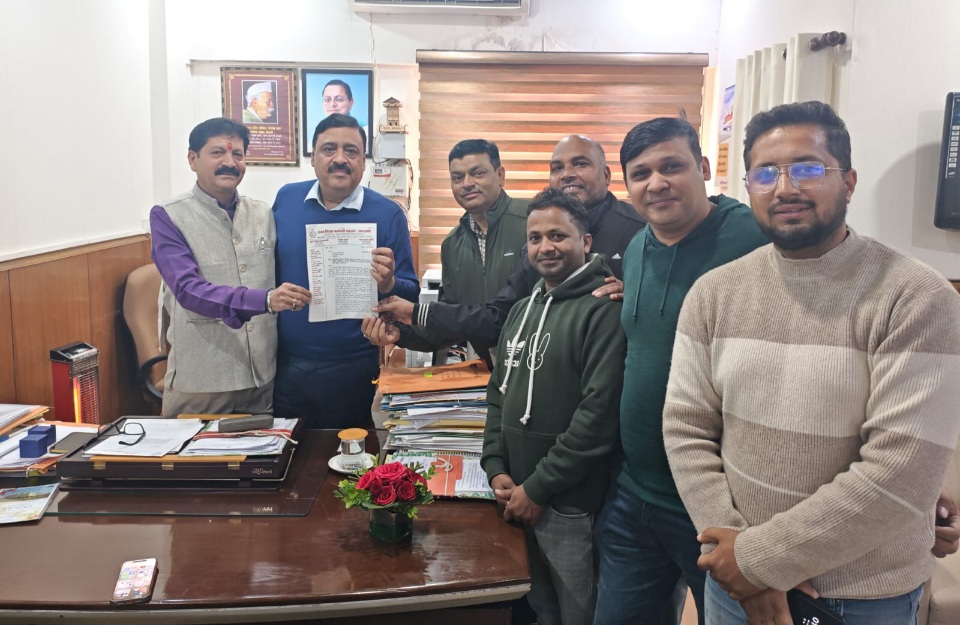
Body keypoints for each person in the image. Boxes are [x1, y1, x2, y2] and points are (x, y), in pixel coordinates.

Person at [662, 101, 960, 625]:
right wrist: (735, 556)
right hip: (733, 581)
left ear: (849, 181)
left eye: (807, 168)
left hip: (863, 597)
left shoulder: (916, 297)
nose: (785, 188)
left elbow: (901, 472)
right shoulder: (714, 293)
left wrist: (759, 561)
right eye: (765, 174)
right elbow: (686, 429)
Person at [593, 117, 770, 625]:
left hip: (719, 505)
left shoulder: (754, 237)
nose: (657, 183)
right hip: (634, 494)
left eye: (672, 166)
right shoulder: (637, 247)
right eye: (641, 173)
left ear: (704, 168)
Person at [483, 186, 626, 625]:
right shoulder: (521, 310)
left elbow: (598, 416)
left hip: (567, 503)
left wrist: (539, 489)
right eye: (535, 238)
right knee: (540, 609)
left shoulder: (603, 309)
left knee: (577, 611)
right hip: (514, 493)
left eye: (558, 236)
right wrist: (495, 466)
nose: (545, 247)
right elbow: (497, 393)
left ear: (585, 241)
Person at [368, 135, 644, 347]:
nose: (567, 174)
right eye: (457, 177)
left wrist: (636, 297)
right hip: (512, 372)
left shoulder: (637, 229)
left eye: (580, 163)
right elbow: (493, 317)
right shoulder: (454, 243)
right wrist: (404, 330)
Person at [150, 117, 310, 417]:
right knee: (194, 450)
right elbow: (188, 290)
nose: (229, 162)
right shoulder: (169, 216)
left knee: (264, 448)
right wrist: (265, 300)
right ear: (192, 159)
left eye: (238, 154)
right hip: (203, 380)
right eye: (217, 153)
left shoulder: (262, 213)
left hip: (262, 376)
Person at [271, 113, 418, 429]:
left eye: (351, 151)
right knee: (288, 450)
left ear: (364, 162)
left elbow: (412, 292)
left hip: (354, 366)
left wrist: (389, 282)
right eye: (329, 149)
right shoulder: (286, 199)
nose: (340, 159)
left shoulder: (388, 214)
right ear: (313, 157)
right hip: (287, 363)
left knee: (352, 453)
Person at [364, 139, 528, 359]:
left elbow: (505, 315)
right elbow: (447, 326)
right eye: (457, 177)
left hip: (538, 362)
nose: (467, 183)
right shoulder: (452, 244)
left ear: (500, 175)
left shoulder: (532, 222)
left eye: (478, 173)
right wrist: (400, 334)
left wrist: (417, 312)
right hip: (489, 370)